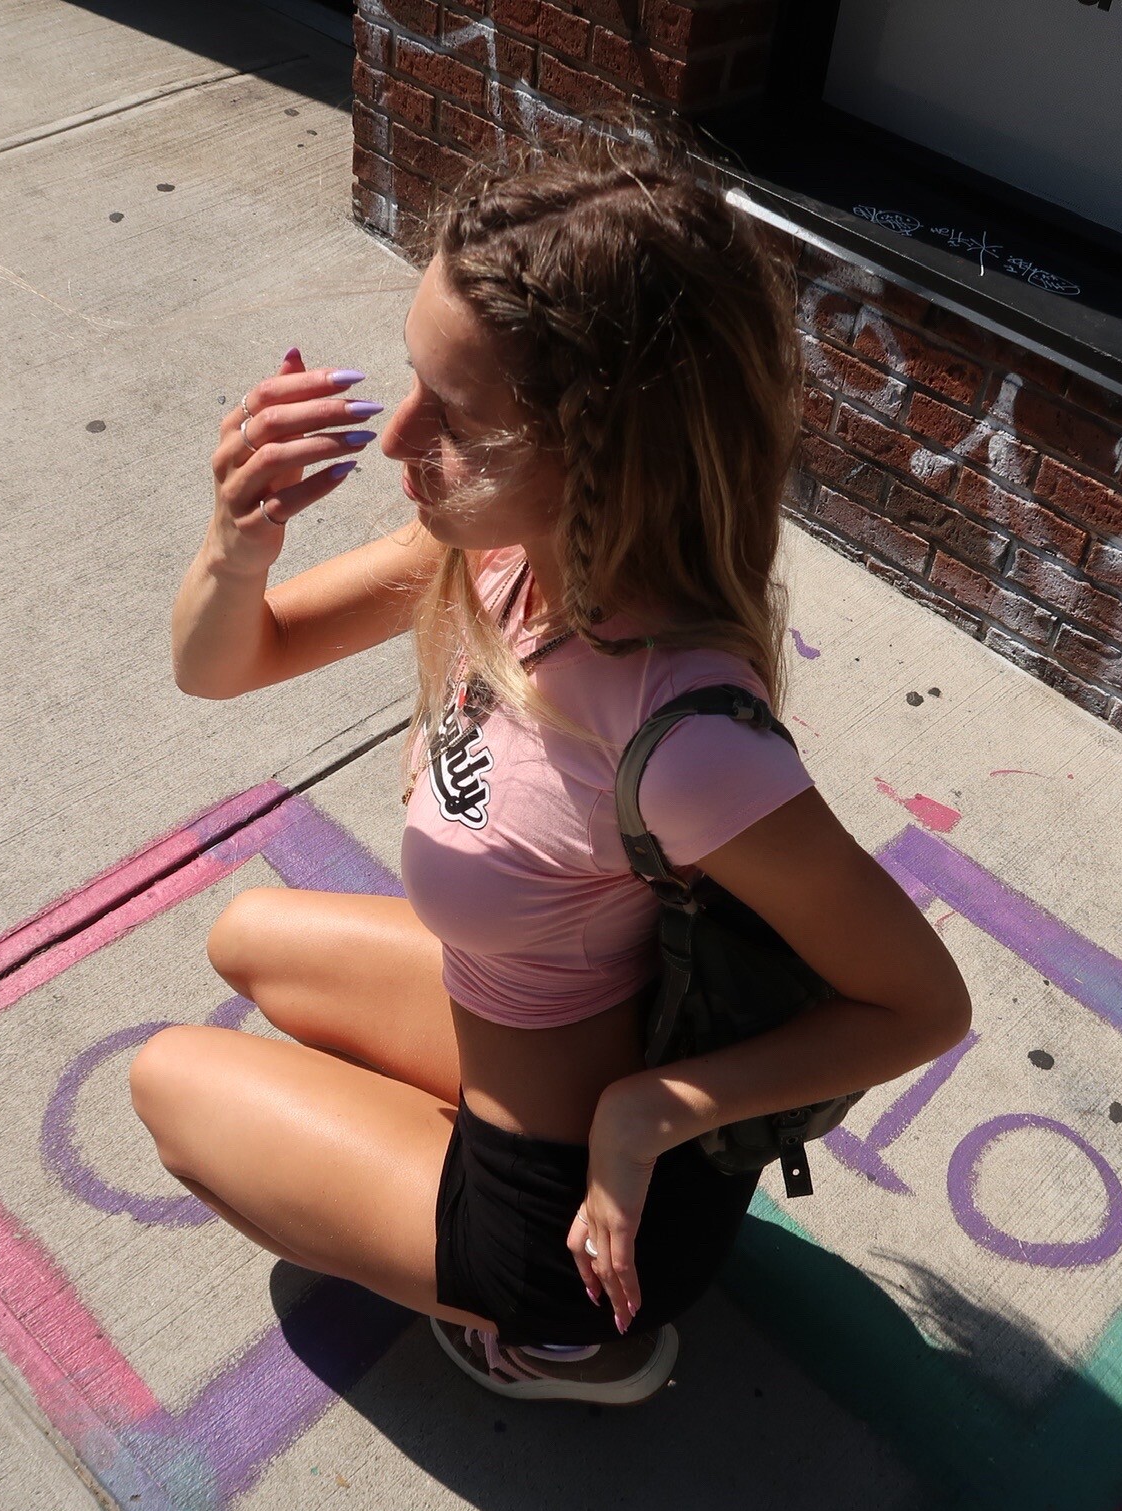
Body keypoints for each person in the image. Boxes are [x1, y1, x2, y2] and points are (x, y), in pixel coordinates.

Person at [132, 122, 972, 1408]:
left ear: (606, 452)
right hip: (529, 1023)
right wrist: (236, 540)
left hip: (562, 1216)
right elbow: (224, 663)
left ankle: (557, 1343)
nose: (397, 439)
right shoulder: (500, 549)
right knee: (243, 935)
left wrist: (649, 1109)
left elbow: (922, 1006)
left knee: (167, 1080)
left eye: (458, 417)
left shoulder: (684, 740)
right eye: (410, 380)